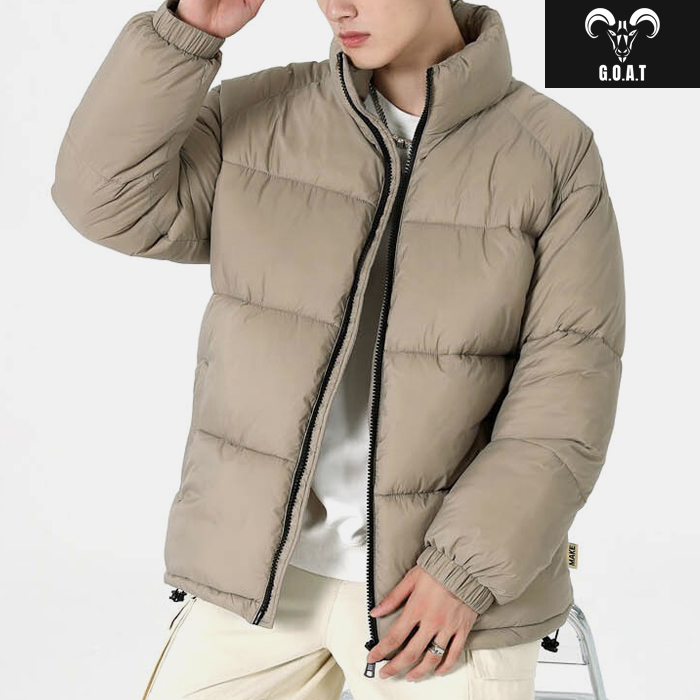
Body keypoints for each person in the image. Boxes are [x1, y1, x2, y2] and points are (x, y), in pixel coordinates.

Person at [50, 0, 626, 698]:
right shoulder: (261, 115)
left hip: (434, 600)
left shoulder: (551, 151)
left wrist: (464, 572)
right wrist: (188, 31)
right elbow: (105, 202)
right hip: (259, 581)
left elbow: (567, 394)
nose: (338, 7)